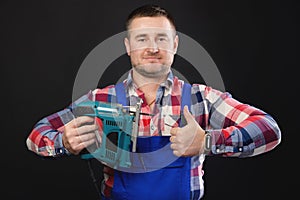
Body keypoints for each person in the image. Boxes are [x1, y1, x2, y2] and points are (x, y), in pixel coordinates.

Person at [26, 4, 281, 200]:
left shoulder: (201, 99)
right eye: (141, 39)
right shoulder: (100, 100)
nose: (152, 48)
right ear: (128, 46)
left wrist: (206, 142)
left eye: (161, 38)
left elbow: (269, 129)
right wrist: (64, 142)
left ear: (175, 44)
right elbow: (36, 135)